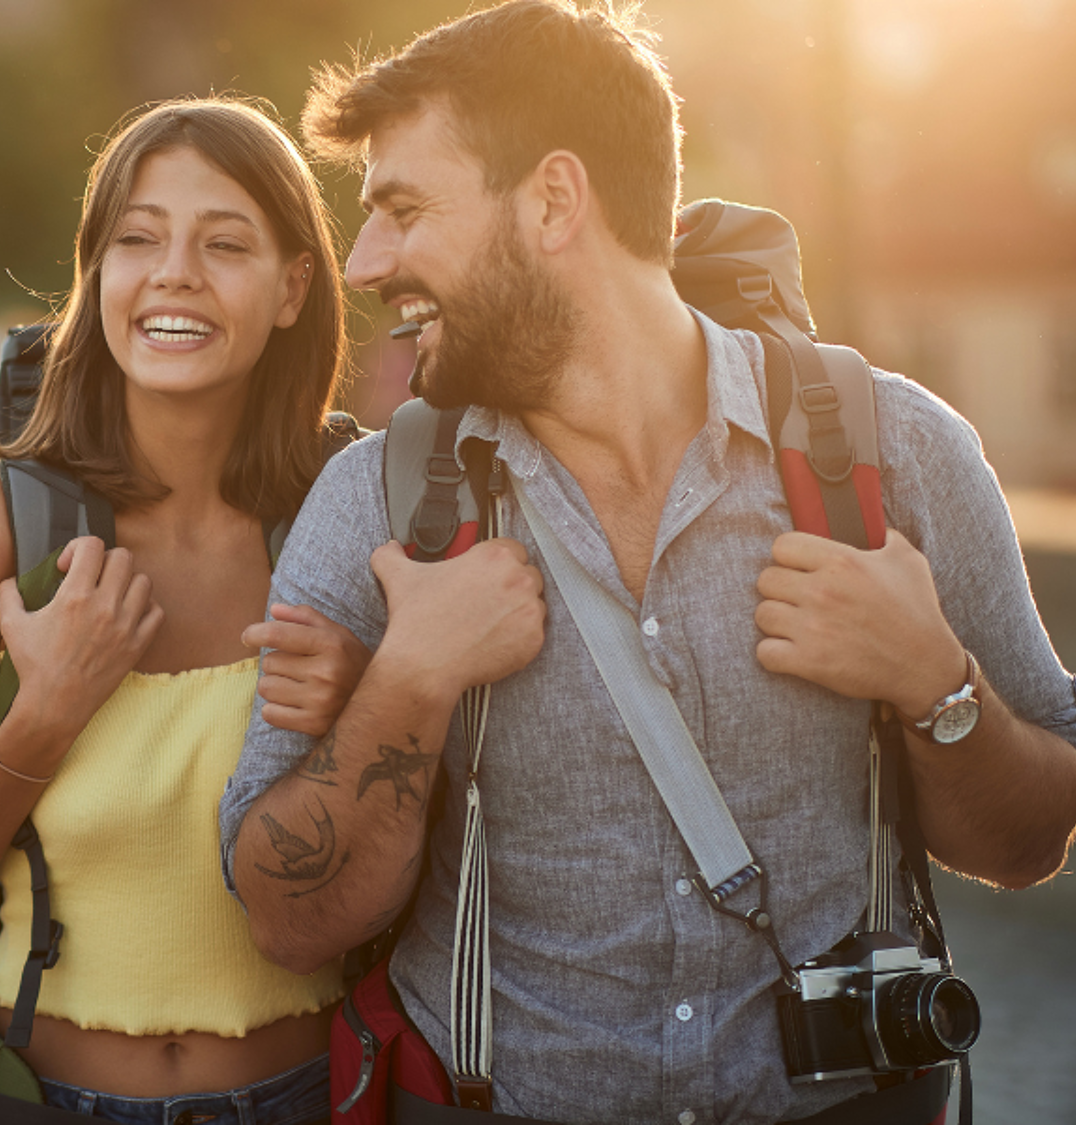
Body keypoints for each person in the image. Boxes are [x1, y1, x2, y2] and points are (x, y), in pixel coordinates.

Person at [219, 4, 1076, 1123]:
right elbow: (284, 921)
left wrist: (935, 683)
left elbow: (1028, 843)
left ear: (554, 200)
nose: (367, 260)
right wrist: (408, 679)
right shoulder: (373, 504)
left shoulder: (896, 454)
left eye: (403, 209)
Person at [0, 97, 364, 1124]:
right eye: (135, 239)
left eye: (224, 243)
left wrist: (372, 703)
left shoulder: (354, 520)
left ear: (291, 288)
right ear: (97, 280)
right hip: (40, 1100)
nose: (173, 270)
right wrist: (43, 718)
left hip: (312, 1098)